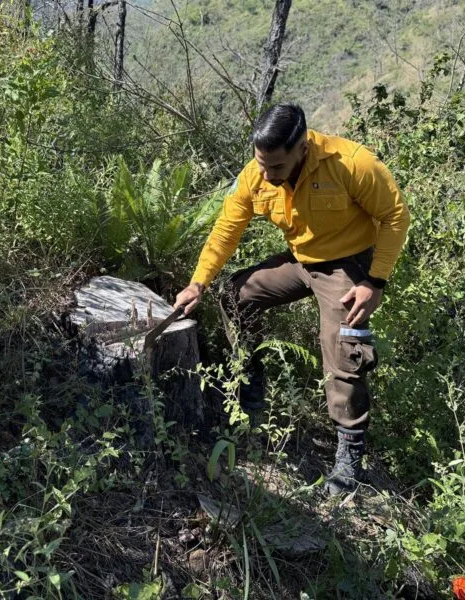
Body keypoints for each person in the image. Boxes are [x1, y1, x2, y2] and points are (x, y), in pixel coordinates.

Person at [173, 103, 410, 495]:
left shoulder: (351, 163)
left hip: (348, 265)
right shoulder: (257, 174)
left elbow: (395, 216)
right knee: (238, 294)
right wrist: (198, 283)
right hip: (301, 260)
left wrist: (374, 282)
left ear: (303, 147)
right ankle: (250, 393)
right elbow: (226, 230)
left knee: (342, 344)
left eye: (276, 168)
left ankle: (349, 457)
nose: (266, 175)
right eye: (261, 164)